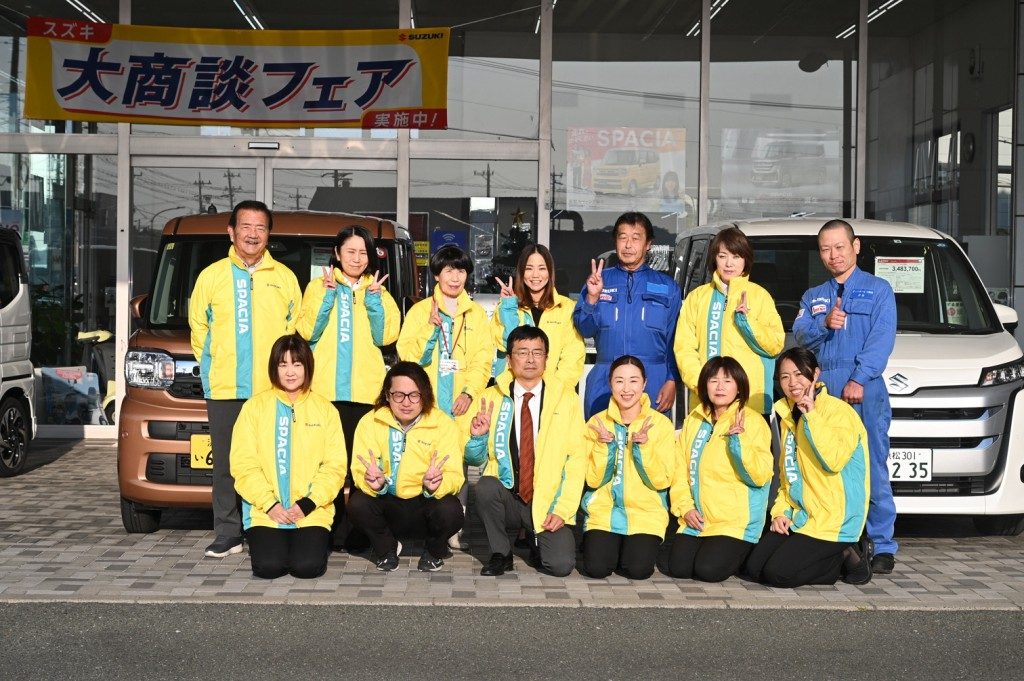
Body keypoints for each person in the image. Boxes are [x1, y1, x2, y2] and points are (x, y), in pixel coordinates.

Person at [189, 200, 302, 558]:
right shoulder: (211, 276)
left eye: (260, 228)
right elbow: (199, 330)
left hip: (271, 390)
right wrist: (214, 367)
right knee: (225, 465)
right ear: (231, 231)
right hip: (225, 388)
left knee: (272, 462)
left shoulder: (284, 278)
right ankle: (228, 532)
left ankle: (266, 527)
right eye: (246, 226)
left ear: (269, 234)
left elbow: (293, 333)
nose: (253, 234)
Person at [792, 219, 898, 575]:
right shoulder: (813, 296)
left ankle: (882, 544)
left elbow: (881, 339)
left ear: (856, 246)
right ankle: (838, 538)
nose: (833, 255)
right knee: (825, 464)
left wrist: (859, 378)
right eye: (825, 249)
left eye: (839, 247)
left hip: (864, 389)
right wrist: (823, 325)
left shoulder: (879, 290)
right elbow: (800, 335)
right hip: (824, 389)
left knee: (871, 465)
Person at [296, 225, 401, 551]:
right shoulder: (317, 286)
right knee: (328, 464)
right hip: (325, 393)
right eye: (350, 251)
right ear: (337, 254)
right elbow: (307, 331)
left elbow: (386, 337)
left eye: (362, 252)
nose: (356, 258)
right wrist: (328, 296)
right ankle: (327, 526)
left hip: (366, 394)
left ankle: (357, 530)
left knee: (361, 466)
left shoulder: (379, 291)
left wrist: (374, 301)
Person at [744, 347, 873, 587]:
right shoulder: (788, 416)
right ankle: (830, 554)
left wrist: (812, 415)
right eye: (785, 377)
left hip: (834, 519)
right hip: (803, 515)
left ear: (815, 374)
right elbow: (788, 477)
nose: (792, 383)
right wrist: (780, 513)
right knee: (754, 568)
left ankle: (846, 554)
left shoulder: (839, 412)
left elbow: (833, 460)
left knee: (777, 574)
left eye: (798, 374)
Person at [465, 326, 586, 577]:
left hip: (547, 501)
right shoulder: (491, 398)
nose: (530, 359)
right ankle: (501, 553)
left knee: (560, 565)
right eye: (522, 352)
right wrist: (478, 438)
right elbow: (474, 459)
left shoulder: (566, 399)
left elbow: (576, 459)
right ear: (509, 360)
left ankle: (534, 539)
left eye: (537, 352)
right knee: (485, 486)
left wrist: (562, 509)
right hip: (509, 497)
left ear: (546, 359)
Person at [397, 244, 494, 550]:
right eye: (449, 270)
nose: (455, 277)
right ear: (436, 275)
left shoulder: (476, 315)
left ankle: (455, 528)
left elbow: (483, 359)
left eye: (461, 270)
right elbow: (407, 357)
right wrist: (429, 330)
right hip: (427, 404)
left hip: (460, 403)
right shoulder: (419, 311)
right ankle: (417, 524)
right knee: (420, 460)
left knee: (460, 465)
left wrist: (469, 392)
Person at [230, 334, 346, 579]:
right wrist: (269, 504)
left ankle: (307, 542)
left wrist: (308, 504)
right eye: (283, 365)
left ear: (307, 367)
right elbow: (244, 465)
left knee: (307, 567)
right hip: (265, 511)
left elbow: (334, 467)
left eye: (297, 364)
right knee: (268, 567)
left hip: (311, 510)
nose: (290, 372)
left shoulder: (326, 410)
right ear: (274, 368)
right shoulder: (254, 408)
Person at [347, 361, 465, 572]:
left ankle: (434, 551)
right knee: (357, 504)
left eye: (414, 395)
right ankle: (387, 548)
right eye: (398, 395)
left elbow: (455, 476)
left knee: (452, 510)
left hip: (425, 504)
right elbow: (359, 467)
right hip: (388, 503)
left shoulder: (443, 424)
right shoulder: (370, 421)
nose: (406, 403)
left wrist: (436, 485)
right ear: (387, 395)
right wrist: (373, 483)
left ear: (424, 395)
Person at [668, 357, 772, 582]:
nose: (720, 387)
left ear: (739, 387)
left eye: (727, 381)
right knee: (679, 568)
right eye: (713, 380)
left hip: (734, 521)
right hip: (699, 517)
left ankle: (749, 552)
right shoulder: (694, 420)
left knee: (708, 570)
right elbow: (679, 470)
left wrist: (739, 443)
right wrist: (685, 508)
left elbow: (760, 476)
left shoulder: (752, 421)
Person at [573, 212, 682, 419]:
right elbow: (584, 328)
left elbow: (676, 340)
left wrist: (671, 379)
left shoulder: (668, 288)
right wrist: (592, 299)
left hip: (653, 378)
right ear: (615, 242)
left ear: (648, 244)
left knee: (652, 438)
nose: (628, 245)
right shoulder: (599, 281)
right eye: (623, 237)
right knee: (602, 437)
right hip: (606, 378)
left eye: (636, 238)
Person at [581, 355, 675, 580]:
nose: (626, 389)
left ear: (644, 383)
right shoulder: (597, 423)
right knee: (597, 569)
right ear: (610, 383)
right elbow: (593, 480)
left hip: (645, 513)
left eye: (634, 381)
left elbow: (661, 480)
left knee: (637, 570)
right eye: (619, 381)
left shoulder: (660, 424)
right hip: (604, 511)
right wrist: (604, 447)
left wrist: (643, 448)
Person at [674, 227, 784, 417]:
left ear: (746, 260)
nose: (729, 263)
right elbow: (684, 348)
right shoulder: (697, 297)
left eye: (736, 256)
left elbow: (775, 345)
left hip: (750, 402)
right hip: (706, 403)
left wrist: (747, 322)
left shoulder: (760, 296)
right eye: (722, 256)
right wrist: (701, 384)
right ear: (714, 259)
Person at [492, 243, 585, 388]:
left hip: (554, 392)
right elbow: (505, 346)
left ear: (550, 271)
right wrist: (509, 306)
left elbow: (573, 356)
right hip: (512, 391)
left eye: (542, 268)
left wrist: (553, 390)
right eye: (529, 268)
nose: (535, 275)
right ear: (521, 272)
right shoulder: (507, 307)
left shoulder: (566, 308)